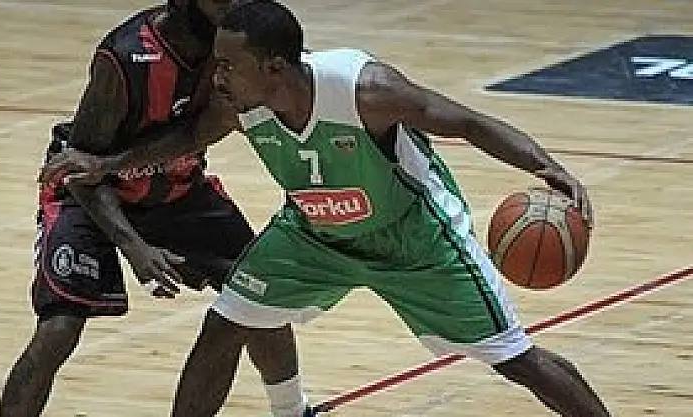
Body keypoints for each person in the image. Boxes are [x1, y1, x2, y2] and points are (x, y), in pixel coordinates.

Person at [41, 1, 612, 415]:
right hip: (313, 234)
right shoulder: (237, 104)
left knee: (515, 359)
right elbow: (185, 138)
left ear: (274, 67)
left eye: (228, 65)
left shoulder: (364, 90)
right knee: (225, 324)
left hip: (414, 239)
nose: (216, 76)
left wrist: (546, 166)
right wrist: (108, 165)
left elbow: (467, 122)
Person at [0, 1, 309, 417]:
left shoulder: (231, 50)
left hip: (175, 187)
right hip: (90, 196)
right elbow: (81, 169)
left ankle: (292, 409)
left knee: (257, 295)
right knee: (59, 328)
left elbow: (206, 127)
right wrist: (134, 248)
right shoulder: (125, 55)